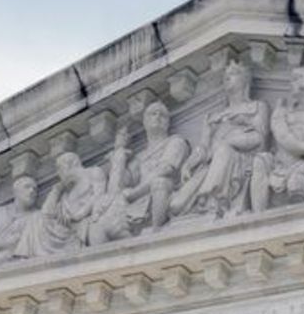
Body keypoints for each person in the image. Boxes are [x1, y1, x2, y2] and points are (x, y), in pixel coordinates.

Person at [171, 61, 270, 218]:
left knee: (224, 150)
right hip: (210, 166)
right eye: (225, 75)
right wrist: (189, 164)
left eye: (234, 73)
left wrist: (231, 140)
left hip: (239, 160)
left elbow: (260, 139)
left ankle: (213, 202)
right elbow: (203, 147)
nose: (227, 77)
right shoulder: (212, 117)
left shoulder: (257, 107)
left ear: (245, 80)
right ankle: (206, 200)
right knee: (176, 206)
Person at [251, 66, 304, 212]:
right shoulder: (283, 112)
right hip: (276, 164)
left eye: (295, 79)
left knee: (297, 183)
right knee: (260, 160)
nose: (290, 84)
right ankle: (256, 218)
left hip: (301, 165)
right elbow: (282, 136)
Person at [110, 102, 189, 231]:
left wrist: (134, 193)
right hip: (139, 203)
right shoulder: (140, 157)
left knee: (160, 182)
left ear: (168, 123)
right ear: (145, 122)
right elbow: (118, 188)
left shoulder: (176, 142)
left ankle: (157, 230)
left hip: (164, 196)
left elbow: (164, 170)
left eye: (162, 115)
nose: (157, 117)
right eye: (153, 114)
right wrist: (119, 153)